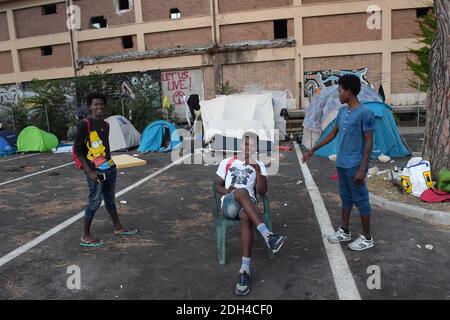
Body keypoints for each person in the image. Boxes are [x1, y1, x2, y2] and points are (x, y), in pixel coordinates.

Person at [303, 74, 376, 251]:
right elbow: (331, 134)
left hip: (355, 165)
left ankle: (367, 237)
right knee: (346, 198)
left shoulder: (365, 113)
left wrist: (362, 169)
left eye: (340, 91)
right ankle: (344, 231)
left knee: (361, 200)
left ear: (349, 92)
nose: (338, 95)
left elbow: (368, 142)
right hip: (342, 164)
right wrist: (313, 149)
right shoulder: (342, 111)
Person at [215, 132, 287, 296]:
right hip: (229, 204)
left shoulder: (259, 165)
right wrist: (228, 191)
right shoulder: (228, 162)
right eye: (246, 144)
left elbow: (262, 191)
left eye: (253, 145)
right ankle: (268, 236)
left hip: (248, 208)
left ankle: (244, 270)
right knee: (241, 192)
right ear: (240, 145)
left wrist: (256, 167)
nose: (249, 148)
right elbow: (216, 186)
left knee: (246, 216)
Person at [74, 92, 137, 247]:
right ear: (90, 106)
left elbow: (105, 148)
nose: (99, 107)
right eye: (95, 104)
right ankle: (85, 235)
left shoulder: (106, 124)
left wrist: (111, 165)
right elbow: (78, 150)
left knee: (109, 199)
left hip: (109, 168)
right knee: (95, 201)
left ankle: (118, 227)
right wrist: (90, 172)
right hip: (97, 172)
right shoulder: (85, 124)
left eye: (101, 104)